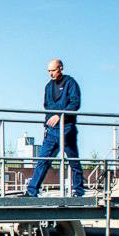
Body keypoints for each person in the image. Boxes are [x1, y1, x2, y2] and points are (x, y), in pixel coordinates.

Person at [26, 58, 85, 197]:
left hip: (67, 128)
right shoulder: (48, 86)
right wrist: (46, 124)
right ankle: (32, 191)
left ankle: (79, 191)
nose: (50, 73)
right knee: (43, 160)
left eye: (53, 70)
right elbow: (47, 106)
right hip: (52, 130)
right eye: (48, 71)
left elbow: (75, 103)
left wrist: (60, 115)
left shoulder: (70, 83)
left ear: (60, 68)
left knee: (73, 160)